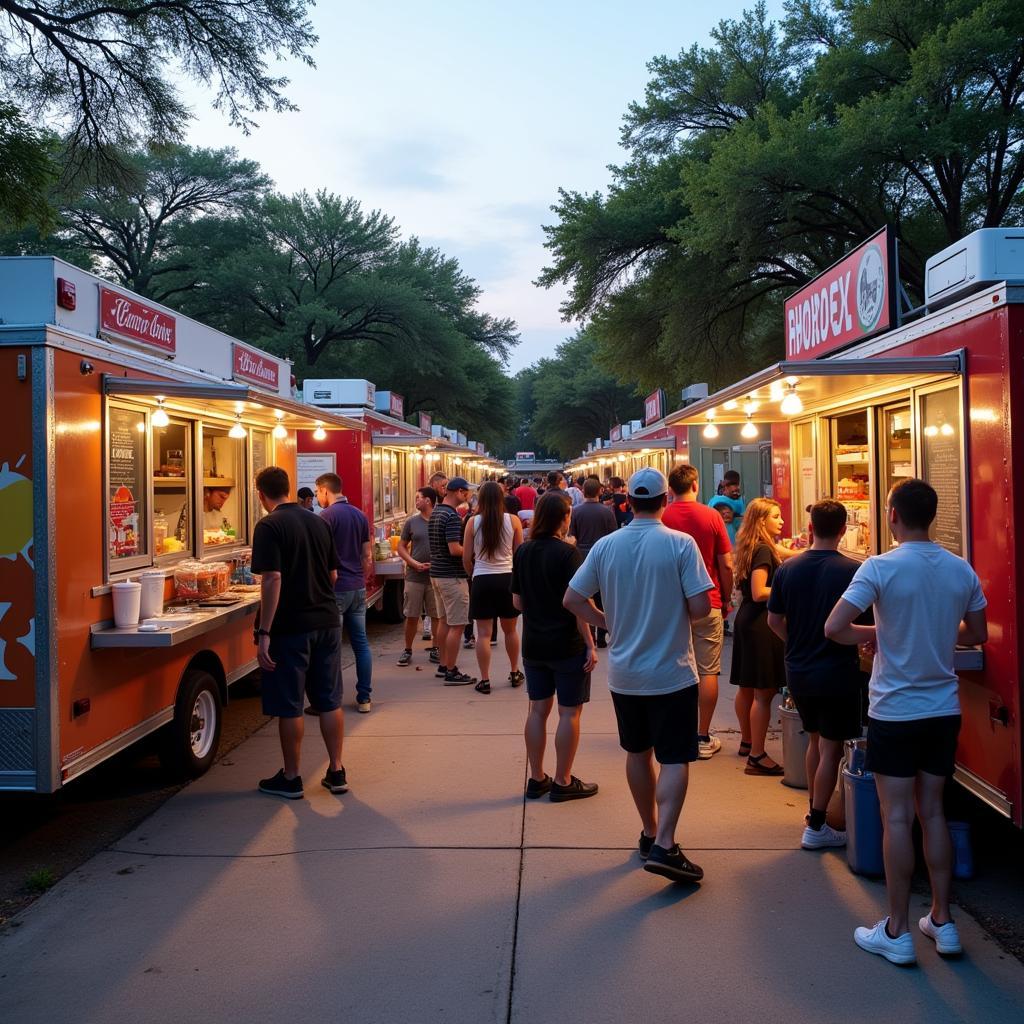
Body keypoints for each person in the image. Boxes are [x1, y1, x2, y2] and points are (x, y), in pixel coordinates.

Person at [825, 479, 987, 966]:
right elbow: (975, 633)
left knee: (896, 816)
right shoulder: (961, 569)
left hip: (894, 710)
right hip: (943, 709)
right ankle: (943, 920)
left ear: (892, 514)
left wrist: (878, 630)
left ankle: (896, 929)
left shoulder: (879, 567)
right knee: (932, 812)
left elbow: (835, 628)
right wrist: (934, 629)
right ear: (932, 516)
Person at [565, 467, 714, 884]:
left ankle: (649, 832)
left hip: (625, 674)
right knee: (675, 757)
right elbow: (702, 608)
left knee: (637, 752)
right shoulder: (680, 545)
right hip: (672, 672)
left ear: (628, 501)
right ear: (665, 500)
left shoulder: (608, 547)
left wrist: (606, 621)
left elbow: (573, 598)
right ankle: (667, 843)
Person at [766, 499, 865, 849]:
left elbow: (773, 620)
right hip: (836, 670)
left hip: (799, 669)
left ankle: (813, 811)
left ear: (810, 529)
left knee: (815, 739)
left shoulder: (788, 569)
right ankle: (818, 825)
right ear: (843, 530)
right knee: (833, 748)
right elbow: (861, 624)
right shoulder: (853, 570)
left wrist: (797, 642)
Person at [251, 466, 347, 799]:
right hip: (327, 622)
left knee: (290, 705)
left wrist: (264, 631)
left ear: (260, 493)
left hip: (291, 628)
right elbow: (333, 575)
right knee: (329, 700)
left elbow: (272, 578)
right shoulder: (318, 521)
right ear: (289, 489)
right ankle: (336, 771)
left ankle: (292, 777)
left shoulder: (268, 525)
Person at [513, 490, 599, 801]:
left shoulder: (523, 551)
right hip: (566, 644)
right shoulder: (568, 555)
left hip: (534, 644)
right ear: (563, 518)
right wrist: (591, 644)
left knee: (538, 710)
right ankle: (563, 781)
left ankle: (536, 778)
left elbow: (517, 602)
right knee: (569, 713)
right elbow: (578, 604)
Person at [662, 464, 734, 759]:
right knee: (707, 670)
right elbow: (726, 563)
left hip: (669, 607)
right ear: (695, 485)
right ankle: (702, 736)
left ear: (670, 489)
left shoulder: (662, 517)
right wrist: (727, 599)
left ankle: (673, 733)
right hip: (708, 600)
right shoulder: (712, 516)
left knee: (671, 670)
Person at [730, 497, 796, 775]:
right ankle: (757, 756)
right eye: (776, 517)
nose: (782, 521)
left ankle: (747, 741)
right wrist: (790, 591)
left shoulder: (755, 545)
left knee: (746, 686)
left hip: (746, 619)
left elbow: (784, 551)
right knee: (764, 693)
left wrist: (814, 549)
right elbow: (759, 591)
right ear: (761, 521)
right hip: (761, 623)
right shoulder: (763, 552)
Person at [316, 473, 374, 713]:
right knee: (361, 644)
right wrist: (363, 578)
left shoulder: (325, 517)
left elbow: (321, 558)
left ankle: (332, 699)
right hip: (357, 587)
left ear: (324, 490)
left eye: (318, 492)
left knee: (332, 646)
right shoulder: (360, 515)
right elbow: (367, 555)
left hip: (335, 590)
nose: (318, 497)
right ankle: (364, 698)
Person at [462, 481, 524, 693]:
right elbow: (520, 555)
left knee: (483, 634)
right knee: (511, 631)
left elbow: (466, 558)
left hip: (482, 579)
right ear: (501, 498)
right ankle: (515, 671)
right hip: (507, 578)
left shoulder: (473, 522)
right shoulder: (513, 521)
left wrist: (474, 574)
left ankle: (485, 679)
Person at [429, 476, 477, 685]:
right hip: (452, 576)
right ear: (458, 492)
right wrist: (474, 551)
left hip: (437, 574)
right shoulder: (452, 516)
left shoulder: (437, 512)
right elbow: (454, 548)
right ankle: (451, 670)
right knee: (457, 624)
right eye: (466, 492)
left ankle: (442, 663)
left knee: (445, 622)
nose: (467, 496)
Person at [568, 477, 618, 648]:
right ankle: (603, 635)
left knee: (586, 596)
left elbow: (572, 536)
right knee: (603, 596)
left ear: (583, 491)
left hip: (582, 555)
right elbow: (614, 536)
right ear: (599, 492)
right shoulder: (607, 512)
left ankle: (590, 633)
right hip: (604, 556)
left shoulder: (575, 511)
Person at [396, 487, 441, 666]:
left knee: (437, 615)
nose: (415, 501)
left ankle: (436, 648)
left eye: (418, 498)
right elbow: (401, 546)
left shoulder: (440, 521)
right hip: (414, 576)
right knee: (412, 615)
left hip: (436, 576)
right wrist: (412, 562)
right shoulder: (411, 522)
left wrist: (437, 563)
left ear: (428, 501)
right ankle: (407, 649)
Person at [715, 470, 745, 545]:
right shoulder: (719, 501)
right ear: (725, 487)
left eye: (736, 485)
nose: (735, 490)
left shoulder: (738, 499)